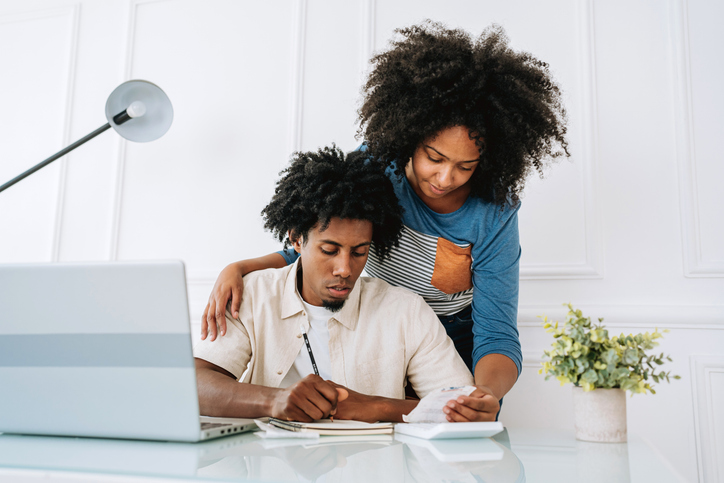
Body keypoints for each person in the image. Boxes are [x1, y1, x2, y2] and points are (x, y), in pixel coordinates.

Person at [200, 22, 569, 415]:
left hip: (448, 335)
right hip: (370, 317)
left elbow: (496, 332)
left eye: (466, 166)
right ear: (408, 135)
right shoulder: (376, 166)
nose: (445, 179)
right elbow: (317, 241)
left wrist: (486, 395)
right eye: (435, 157)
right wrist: (240, 268)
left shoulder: (493, 210)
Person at [194, 146, 498, 422]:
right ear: (297, 240)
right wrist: (274, 401)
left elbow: (461, 408)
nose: (345, 269)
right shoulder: (252, 294)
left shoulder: (406, 311)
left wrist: (376, 407)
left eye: (359, 252)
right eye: (329, 250)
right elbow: (193, 383)